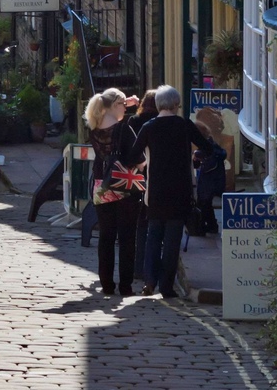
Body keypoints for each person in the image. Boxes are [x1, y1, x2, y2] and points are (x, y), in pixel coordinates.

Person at [124, 85, 226, 298]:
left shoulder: (149, 127)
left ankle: (149, 281)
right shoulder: (185, 125)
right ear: (176, 104)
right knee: (172, 240)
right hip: (181, 189)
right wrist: (195, 156)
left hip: (155, 190)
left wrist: (145, 165)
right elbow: (207, 148)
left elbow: (132, 155)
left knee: (153, 235)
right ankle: (166, 286)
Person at [85, 88, 141, 296]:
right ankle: (125, 286)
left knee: (106, 237)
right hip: (124, 186)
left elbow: (110, 105)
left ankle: (107, 284)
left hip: (101, 185)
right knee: (127, 238)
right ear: (113, 106)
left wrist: (124, 101)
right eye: (122, 105)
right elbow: (138, 158)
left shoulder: (93, 129)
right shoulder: (124, 130)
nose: (124, 110)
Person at [131, 89, 161, 291]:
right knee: (155, 226)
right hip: (157, 176)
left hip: (137, 176)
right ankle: (154, 270)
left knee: (140, 226)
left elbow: (131, 149)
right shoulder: (160, 123)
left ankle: (138, 268)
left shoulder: (134, 121)